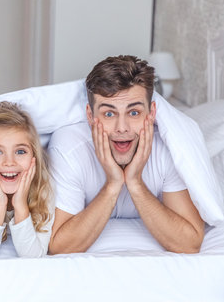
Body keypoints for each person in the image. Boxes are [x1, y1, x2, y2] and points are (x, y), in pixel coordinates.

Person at [48, 55, 205, 254]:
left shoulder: (168, 148)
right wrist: (113, 184)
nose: (122, 128)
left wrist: (135, 183)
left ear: (151, 113)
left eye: (133, 113)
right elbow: (58, 245)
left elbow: (190, 243)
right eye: (109, 114)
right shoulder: (69, 149)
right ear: (90, 116)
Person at [0, 102, 54, 259]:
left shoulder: (44, 187)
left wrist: (20, 204)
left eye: (20, 151)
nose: (9, 162)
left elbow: (32, 256)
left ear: (34, 156)